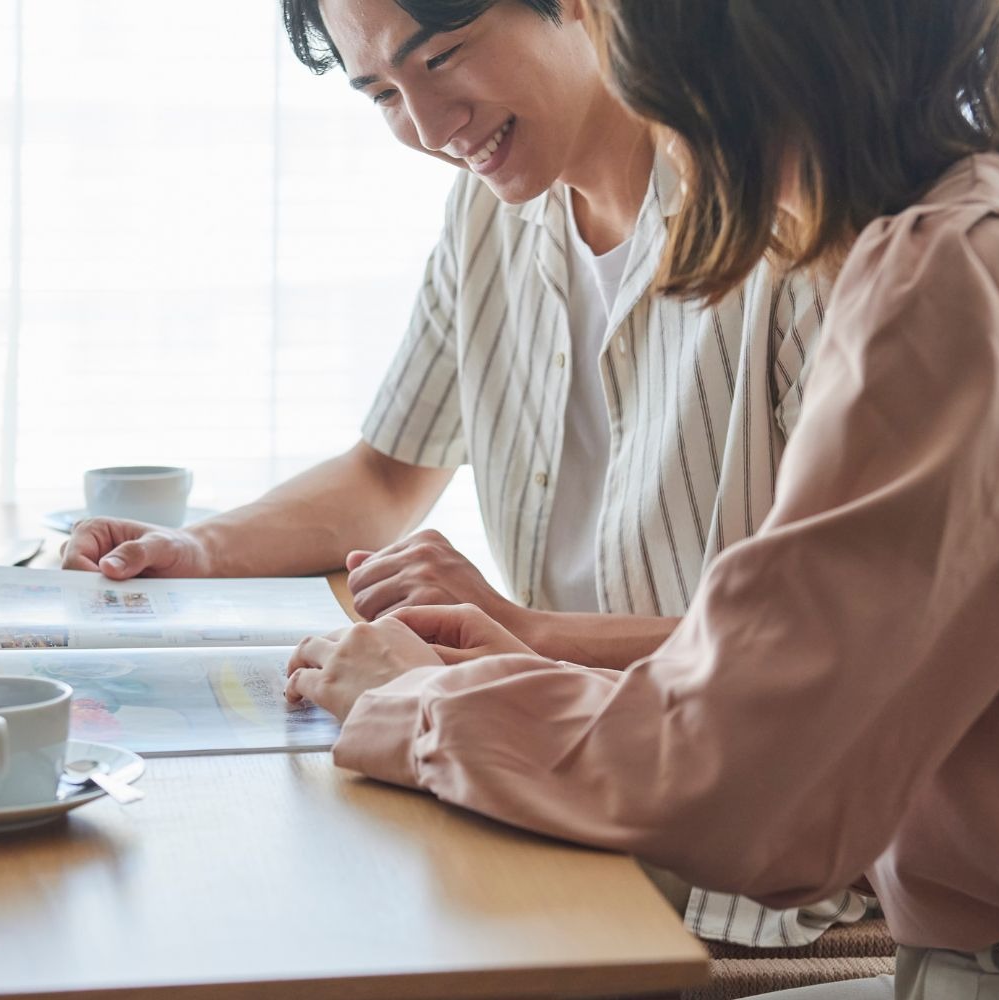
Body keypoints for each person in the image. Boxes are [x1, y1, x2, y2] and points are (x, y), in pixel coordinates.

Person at [283, 0, 999, 997]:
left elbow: (747, 787)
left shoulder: (949, 283)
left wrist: (413, 702)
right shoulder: (976, 229)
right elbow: (774, 697)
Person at [65, 0, 866, 954]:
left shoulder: (788, 223)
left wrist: (518, 638)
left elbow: (837, 647)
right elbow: (386, 474)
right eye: (382, 95)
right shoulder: (492, 215)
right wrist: (198, 548)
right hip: (552, 768)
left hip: (732, 834)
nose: (429, 128)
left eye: (442, 57)